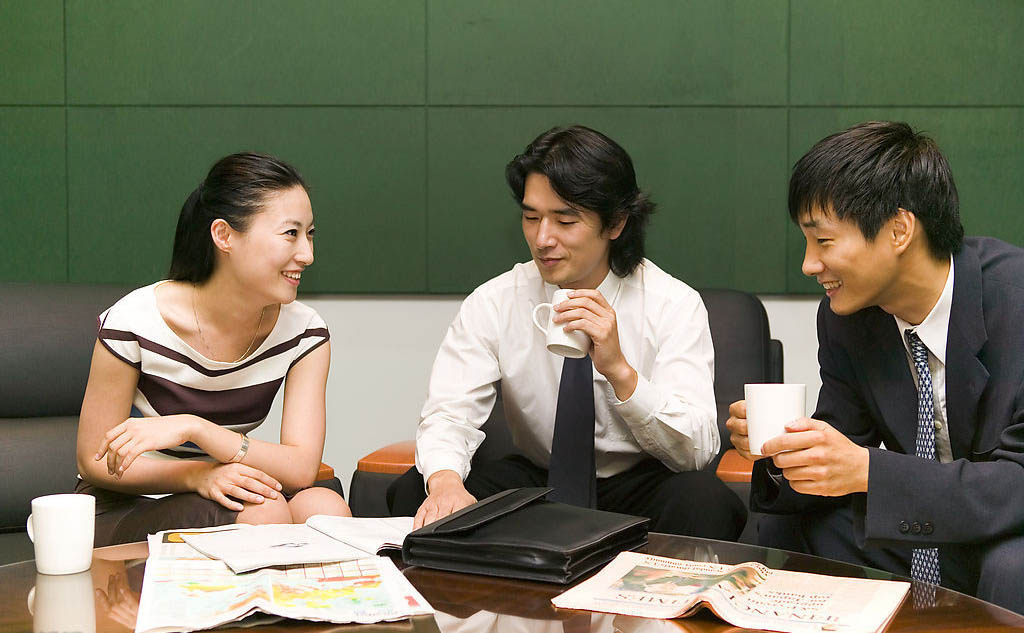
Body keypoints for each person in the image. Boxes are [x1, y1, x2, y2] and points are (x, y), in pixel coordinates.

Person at [388, 125, 746, 539]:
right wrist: (445, 484)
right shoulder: (496, 301)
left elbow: (697, 450)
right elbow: (450, 413)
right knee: (417, 491)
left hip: (636, 482)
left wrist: (620, 372)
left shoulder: (672, 304)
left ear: (616, 223)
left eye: (565, 220)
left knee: (704, 500)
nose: (543, 239)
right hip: (538, 478)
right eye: (531, 217)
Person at [725, 121, 1024, 613]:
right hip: (930, 526)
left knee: (1013, 567)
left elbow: (1016, 484)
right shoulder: (848, 318)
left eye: (823, 241)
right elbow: (845, 437)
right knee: (790, 524)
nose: (808, 265)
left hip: (1010, 528)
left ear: (899, 230)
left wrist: (868, 470)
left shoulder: (1015, 301)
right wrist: (787, 451)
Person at [76, 152, 350, 546]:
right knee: (265, 512)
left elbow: (301, 468)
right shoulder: (134, 321)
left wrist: (197, 429)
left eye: (310, 234)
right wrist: (197, 475)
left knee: (327, 510)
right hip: (127, 502)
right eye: (291, 234)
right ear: (224, 236)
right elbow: (94, 460)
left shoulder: (305, 332)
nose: (307, 254)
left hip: (223, 482)